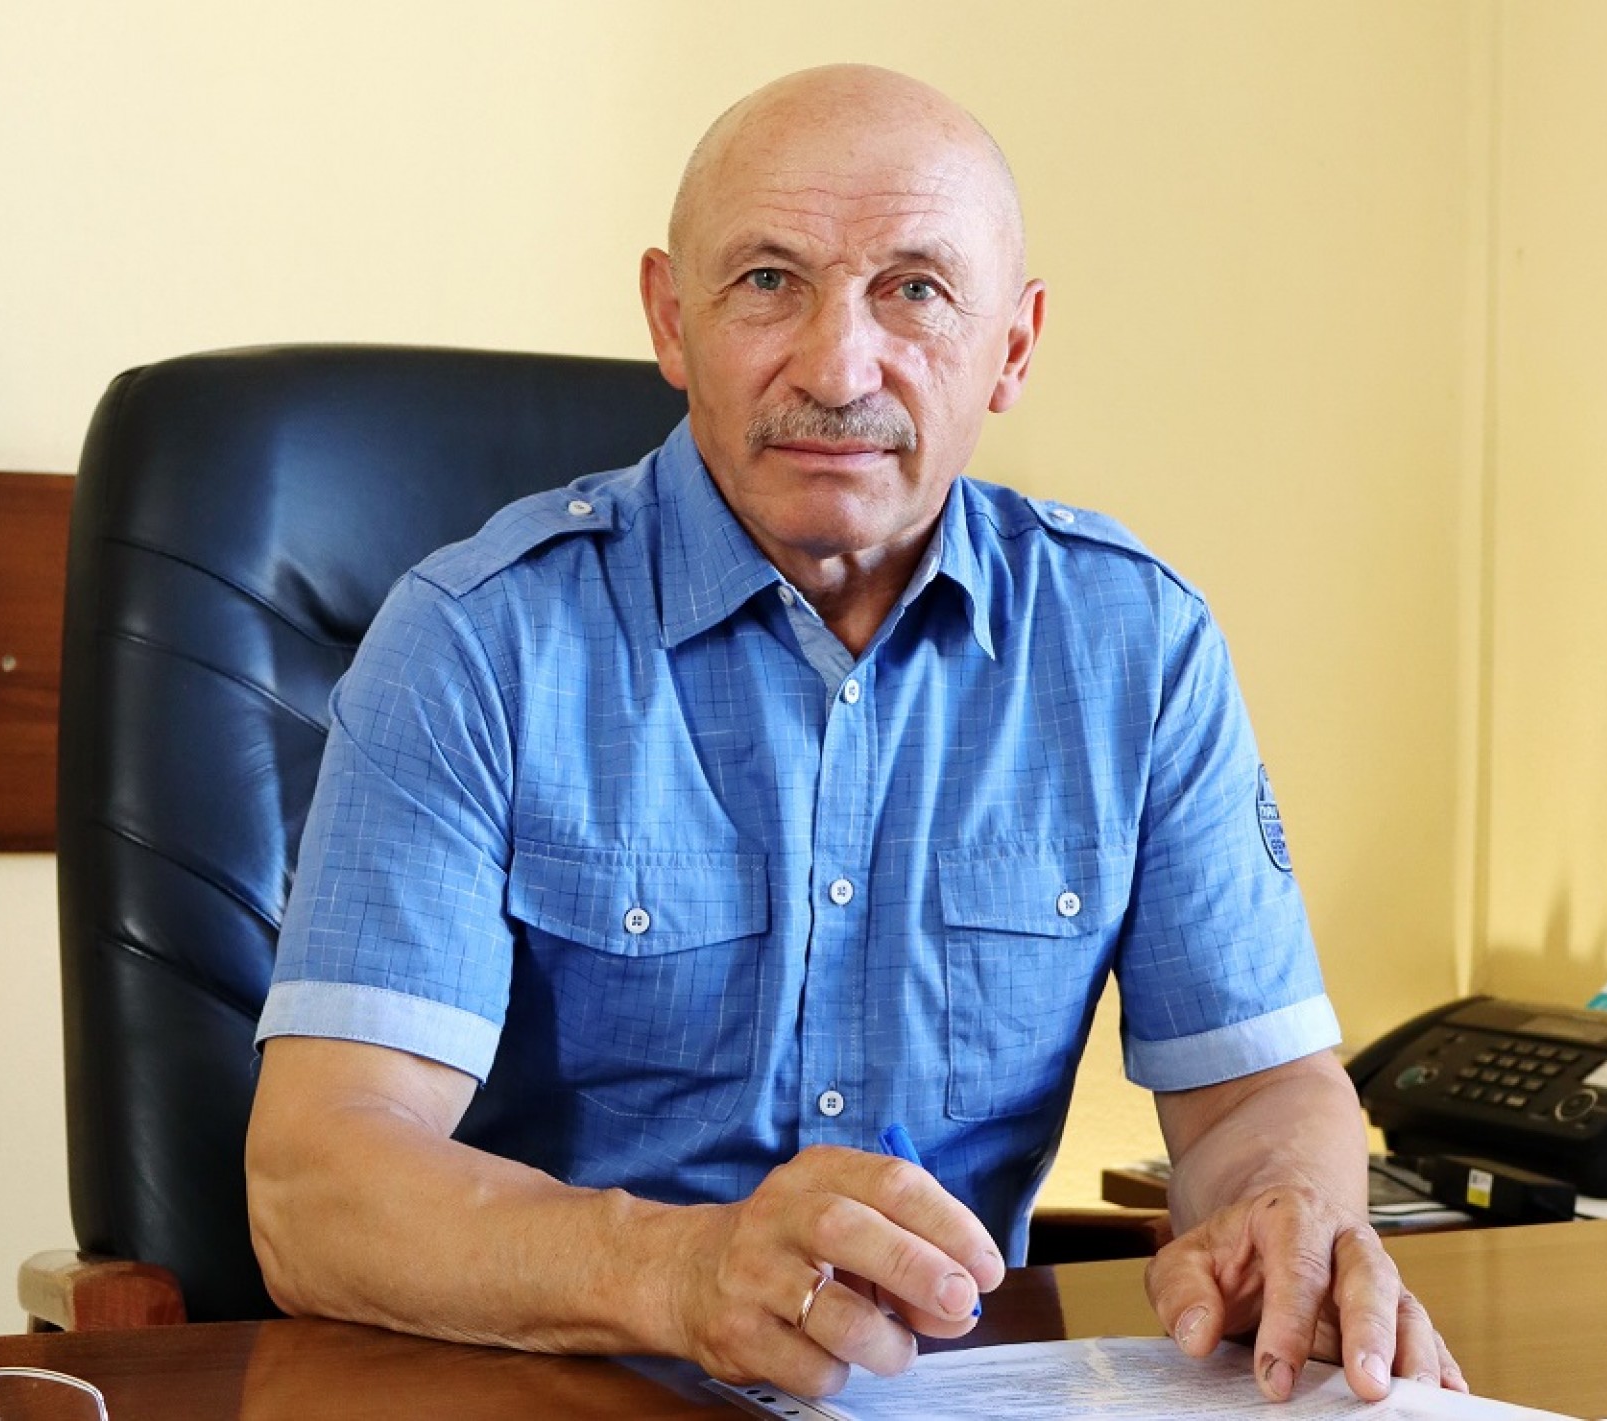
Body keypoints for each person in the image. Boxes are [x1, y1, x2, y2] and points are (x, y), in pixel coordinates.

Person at [245, 63, 1464, 1403]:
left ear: (1013, 346)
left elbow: (1255, 1095)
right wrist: (676, 1271)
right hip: (561, 1395)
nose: (837, 367)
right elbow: (319, 1186)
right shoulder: (476, 643)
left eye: (916, 290)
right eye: (768, 280)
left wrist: (1286, 1216)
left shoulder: (1136, 645)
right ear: (670, 318)